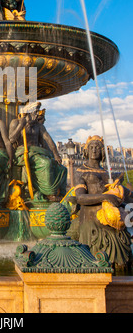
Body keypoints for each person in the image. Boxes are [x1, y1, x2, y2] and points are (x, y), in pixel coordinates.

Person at [74, 135, 133, 271]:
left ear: (102, 152)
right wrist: (105, 197)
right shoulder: (81, 172)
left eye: (98, 148)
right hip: (92, 223)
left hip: (112, 222)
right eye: (91, 147)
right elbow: (80, 198)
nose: (94, 150)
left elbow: (123, 195)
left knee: (122, 265)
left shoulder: (108, 174)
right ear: (86, 151)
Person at [9, 105, 67, 201]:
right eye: (35, 112)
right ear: (28, 112)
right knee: (46, 163)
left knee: (62, 169)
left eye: (37, 112)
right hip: (23, 153)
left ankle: (62, 194)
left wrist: (56, 154)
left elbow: (48, 139)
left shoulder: (39, 126)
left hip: (37, 152)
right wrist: (21, 125)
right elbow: (11, 139)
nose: (36, 115)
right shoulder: (16, 122)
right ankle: (49, 193)